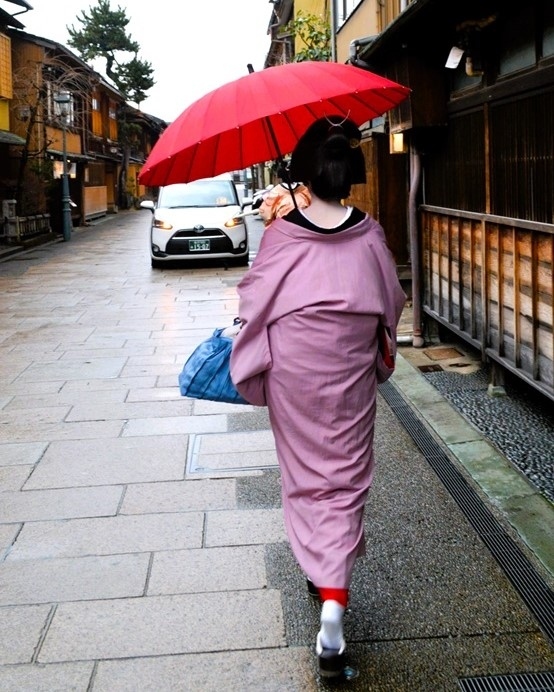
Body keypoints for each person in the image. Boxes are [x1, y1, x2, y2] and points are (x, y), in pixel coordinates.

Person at [230, 115, 406, 679]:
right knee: (347, 476)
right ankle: (333, 595)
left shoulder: (284, 233)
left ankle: (325, 585)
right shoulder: (369, 231)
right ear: (350, 174)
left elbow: (254, 298)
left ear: (304, 173)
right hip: (349, 368)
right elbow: (391, 301)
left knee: (307, 476)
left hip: (294, 372)